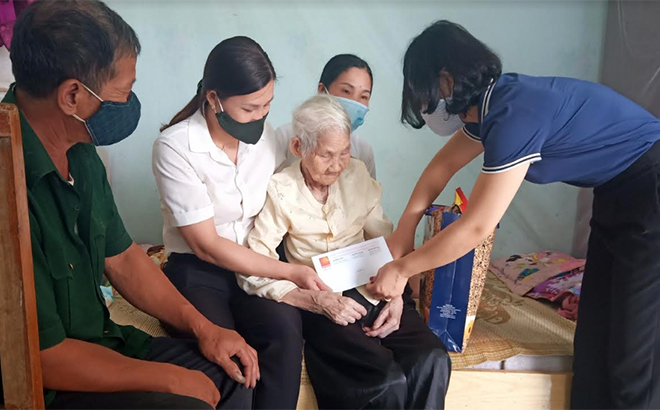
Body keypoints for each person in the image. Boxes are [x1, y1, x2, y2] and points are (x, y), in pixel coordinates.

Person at [367, 20, 660, 410]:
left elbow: (476, 227)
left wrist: (403, 269)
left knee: (630, 357)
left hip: (650, 189)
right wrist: (404, 231)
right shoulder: (484, 110)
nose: (424, 107)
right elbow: (439, 171)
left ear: (446, 81)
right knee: (591, 347)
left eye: (424, 93)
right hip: (616, 192)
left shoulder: (513, 113)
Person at [4, 1, 256, 409]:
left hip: (103, 345)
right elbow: (43, 357)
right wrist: (170, 379)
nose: (129, 103)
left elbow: (122, 258)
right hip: (47, 382)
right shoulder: (8, 185)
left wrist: (204, 328)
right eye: (123, 92)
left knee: (233, 378)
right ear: (72, 95)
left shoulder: (80, 152)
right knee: (187, 402)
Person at [237, 94, 451, 409]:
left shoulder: (357, 174)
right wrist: (312, 299)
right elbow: (255, 262)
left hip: (376, 288)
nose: (337, 165)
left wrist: (395, 296)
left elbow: (387, 238)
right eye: (326, 155)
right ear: (299, 148)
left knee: (432, 359)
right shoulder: (281, 189)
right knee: (384, 381)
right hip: (326, 302)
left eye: (344, 153)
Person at [153, 36, 328, 410]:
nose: (261, 117)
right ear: (214, 99)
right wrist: (290, 273)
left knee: (284, 334)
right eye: (250, 108)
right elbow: (206, 245)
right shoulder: (175, 146)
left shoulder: (265, 136)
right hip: (198, 269)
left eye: (267, 105)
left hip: (256, 260)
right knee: (231, 356)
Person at [276, 54, 377, 178]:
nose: (355, 102)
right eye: (346, 91)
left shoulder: (363, 151)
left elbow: (367, 194)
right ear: (322, 90)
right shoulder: (285, 135)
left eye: (364, 97)